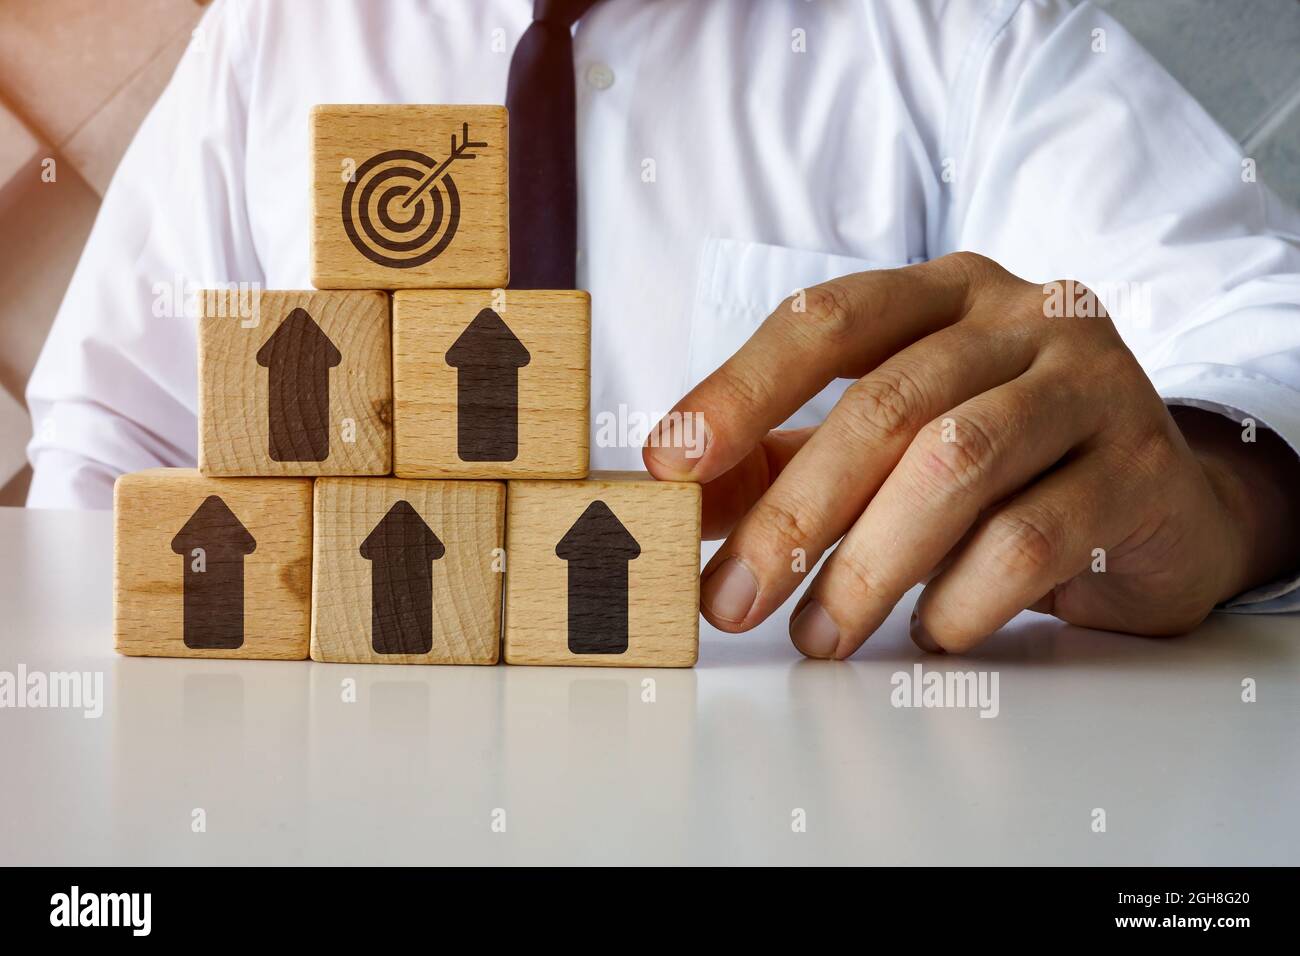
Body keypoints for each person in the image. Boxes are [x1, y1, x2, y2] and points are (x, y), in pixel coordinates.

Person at [25, 0, 1300, 657]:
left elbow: (1258, 327)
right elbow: (113, 433)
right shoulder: (276, 29)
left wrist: (1226, 488)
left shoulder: (945, 26)